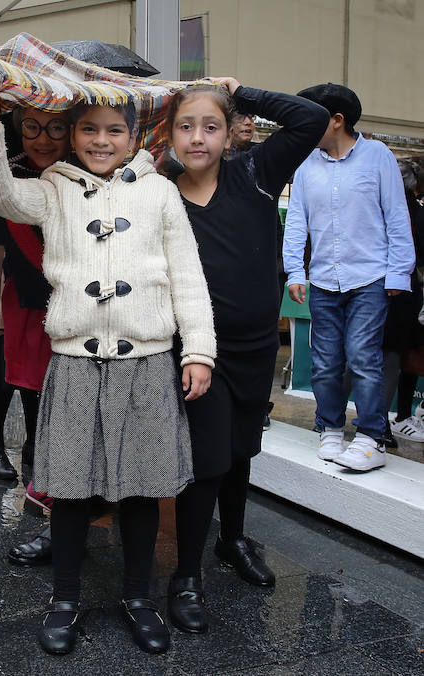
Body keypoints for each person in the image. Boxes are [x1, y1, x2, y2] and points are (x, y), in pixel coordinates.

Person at [0, 93, 216, 655]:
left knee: (141, 491)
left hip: (148, 362)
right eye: (88, 130)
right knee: (72, 491)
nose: (101, 141)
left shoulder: (160, 194)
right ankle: (64, 600)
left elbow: (189, 278)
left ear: (135, 138)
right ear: (72, 135)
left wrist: (198, 349)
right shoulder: (54, 189)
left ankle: (138, 598)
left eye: (113, 130)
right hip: (76, 362)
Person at [164, 79, 329, 634]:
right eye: (185, 127)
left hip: (256, 345)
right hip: (197, 351)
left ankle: (232, 540)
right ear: (169, 134)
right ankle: (185, 575)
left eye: (211, 126)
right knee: (208, 459)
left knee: (240, 451)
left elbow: (309, 118)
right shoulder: (160, 190)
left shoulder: (255, 173)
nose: (198, 138)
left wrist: (245, 93)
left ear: (230, 130)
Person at [284, 83, 415, 471]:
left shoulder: (377, 156)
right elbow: (296, 221)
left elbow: (396, 216)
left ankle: (372, 437)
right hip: (324, 279)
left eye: (311, 118)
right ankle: (329, 428)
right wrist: (295, 269)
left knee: (363, 357)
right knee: (324, 362)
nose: (305, 126)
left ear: (336, 120)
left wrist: (399, 273)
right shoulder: (307, 164)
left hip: (370, 278)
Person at [0, 109, 69, 484]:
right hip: (3, 263)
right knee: (0, 344)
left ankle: (33, 442)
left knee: (44, 355)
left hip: (57, 276)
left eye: (55, 127)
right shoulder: (4, 158)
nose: (43, 138)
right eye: (32, 127)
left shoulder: (73, 166)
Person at [384, 160, 424, 442]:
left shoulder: (389, 212)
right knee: (402, 356)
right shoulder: (416, 213)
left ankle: (387, 418)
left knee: (387, 356)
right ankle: (399, 416)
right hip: (410, 294)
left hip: (387, 293)